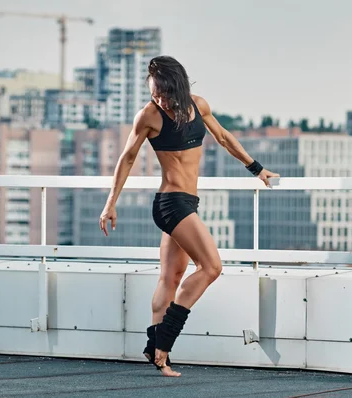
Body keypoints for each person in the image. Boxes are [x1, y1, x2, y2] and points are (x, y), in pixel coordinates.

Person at [98, 55, 280, 377]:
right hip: (171, 204)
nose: (157, 98)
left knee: (170, 278)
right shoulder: (149, 116)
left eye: (162, 93)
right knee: (211, 267)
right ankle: (164, 344)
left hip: (188, 203)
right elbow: (126, 159)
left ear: (176, 87)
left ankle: (155, 352)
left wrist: (257, 169)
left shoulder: (199, 106)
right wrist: (110, 203)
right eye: (153, 92)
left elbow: (224, 138)